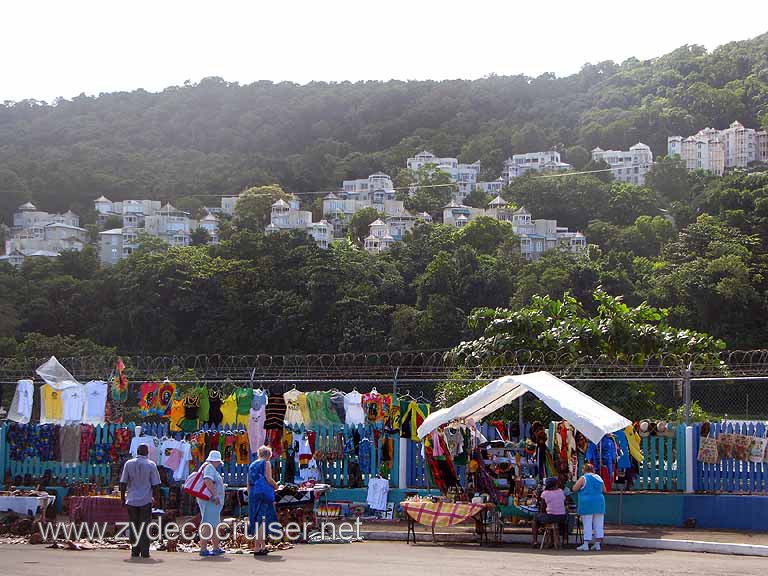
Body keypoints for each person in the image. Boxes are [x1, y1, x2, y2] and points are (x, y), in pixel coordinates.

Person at [120, 443, 161, 559]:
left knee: (133, 525)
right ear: (147, 452)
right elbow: (156, 485)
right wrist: (157, 499)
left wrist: (122, 498)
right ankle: (145, 552)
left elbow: (123, 483)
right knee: (144, 526)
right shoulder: (151, 465)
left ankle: (134, 551)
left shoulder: (128, 464)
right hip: (145, 500)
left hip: (131, 500)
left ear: (137, 452)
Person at [248, 445, 280, 557]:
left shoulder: (252, 464)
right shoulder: (266, 463)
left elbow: (248, 482)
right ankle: (257, 547)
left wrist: (250, 494)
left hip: (253, 493)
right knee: (262, 520)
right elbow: (268, 478)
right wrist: (277, 487)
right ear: (269, 455)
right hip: (263, 494)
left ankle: (262, 546)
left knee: (256, 517)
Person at [197, 450, 226, 557]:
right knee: (208, 523)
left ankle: (215, 547)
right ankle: (204, 548)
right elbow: (207, 481)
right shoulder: (209, 468)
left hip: (211, 501)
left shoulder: (208, 467)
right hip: (210, 500)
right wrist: (215, 495)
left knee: (213, 523)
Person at [572, 462, 606, 551]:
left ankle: (586, 544)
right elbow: (604, 490)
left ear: (584, 470)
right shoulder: (599, 477)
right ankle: (597, 544)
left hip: (587, 503)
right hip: (599, 503)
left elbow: (574, 488)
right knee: (599, 524)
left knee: (587, 523)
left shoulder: (584, 478)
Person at [531, 477, 567, 547]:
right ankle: (557, 540)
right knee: (549, 518)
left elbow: (542, 509)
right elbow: (564, 503)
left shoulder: (545, 493)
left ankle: (535, 541)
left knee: (535, 518)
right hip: (562, 517)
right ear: (555, 485)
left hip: (551, 517)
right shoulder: (561, 491)